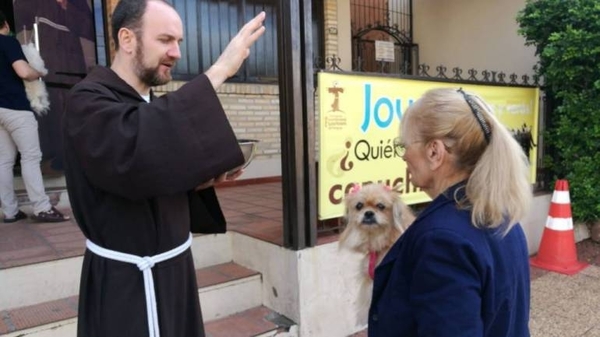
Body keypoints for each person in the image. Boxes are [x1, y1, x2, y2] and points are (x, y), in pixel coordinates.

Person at [62, 0, 265, 336]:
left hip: (175, 271)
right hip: (125, 282)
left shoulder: (153, 106)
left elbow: (154, 169)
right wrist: (218, 72)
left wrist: (196, 182)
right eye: (166, 40)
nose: (177, 53)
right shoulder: (87, 101)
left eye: (179, 43)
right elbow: (131, 156)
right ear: (127, 40)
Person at [369, 88, 532, 336]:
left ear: (434, 151)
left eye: (404, 144)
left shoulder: (442, 240)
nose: (403, 155)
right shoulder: (501, 214)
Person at [0, 10, 70, 223]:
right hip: (16, 108)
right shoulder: (8, 42)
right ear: (4, 24)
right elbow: (24, 72)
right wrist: (39, 72)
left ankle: (10, 212)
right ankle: (42, 208)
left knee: (4, 161)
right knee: (31, 158)